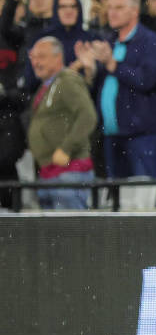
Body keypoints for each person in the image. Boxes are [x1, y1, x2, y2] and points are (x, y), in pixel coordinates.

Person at [77, 0, 156, 180]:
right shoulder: (109, 42)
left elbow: (147, 80)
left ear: (134, 11)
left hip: (142, 135)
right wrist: (90, 71)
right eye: (110, 8)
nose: (112, 12)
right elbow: (102, 88)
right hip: (111, 135)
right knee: (118, 199)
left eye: (118, 7)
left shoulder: (150, 41)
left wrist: (112, 64)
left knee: (145, 197)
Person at [26, 36, 97, 210]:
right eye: (33, 57)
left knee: (69, 232)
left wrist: (66, 148)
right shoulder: (47, 86)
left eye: (41, 56)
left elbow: (88, 116)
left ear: (58, 58)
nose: (36, 62)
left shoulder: (67, 81)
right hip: (49, 173)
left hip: (68, 172)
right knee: (54, 234)